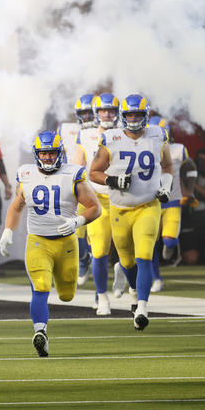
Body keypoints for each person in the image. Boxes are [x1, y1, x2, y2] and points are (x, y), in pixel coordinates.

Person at [0, 130, 101, 356]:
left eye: (51, 153)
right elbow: (17, 206)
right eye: (43, 154)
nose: (47, 158)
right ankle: (40, 332)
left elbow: (96, 208)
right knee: (41, 286)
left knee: (67, 295)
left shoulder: (73, 174)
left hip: (66, 243)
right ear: (37, 154)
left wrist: (78, 221)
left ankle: (85, 257)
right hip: (38, 241)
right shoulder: (26, 174)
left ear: (60, 153)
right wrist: (8, 231)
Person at [89, 94, 173, 331]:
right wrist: (113, 180)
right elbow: (93, 172)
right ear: (123, 117)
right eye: (130, 115)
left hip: (148, 205)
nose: (134, 119)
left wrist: (165, 186)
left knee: (144, 255)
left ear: (146, 116)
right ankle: (132, 286)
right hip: (120, 209)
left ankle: (142, 307)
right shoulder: (112, 138)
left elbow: (167, 166)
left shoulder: (158, 135)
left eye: (138, 114)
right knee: (126, 261)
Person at [73, 93, 121, 314]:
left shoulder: (127, 133)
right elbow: (76, 166)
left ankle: (123, 271)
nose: (107, 114)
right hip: (98, 198)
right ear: (96, 113)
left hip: (124, 198)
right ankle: (101, 297)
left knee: (127, 250)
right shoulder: (85, 135)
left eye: (111, 110)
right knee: (99, 250)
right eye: (103, 111)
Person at [147, 117, 197, 292]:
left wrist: (189, 191)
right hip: (150, 203)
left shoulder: (178, 150)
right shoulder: (141, 150)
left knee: (169, 242)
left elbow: (191, 168)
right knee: (150, 245)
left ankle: (170, 248)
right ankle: (157, 278)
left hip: (172, 202)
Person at [66, 93, 97, 290]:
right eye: (82, 113)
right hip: (81, 189)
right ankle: (84, 258)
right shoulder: (69, 131)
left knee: (98, 239)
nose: (86, 117)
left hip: (103, 191)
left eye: (89, 113)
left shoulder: (111, 132)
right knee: (76, 232)